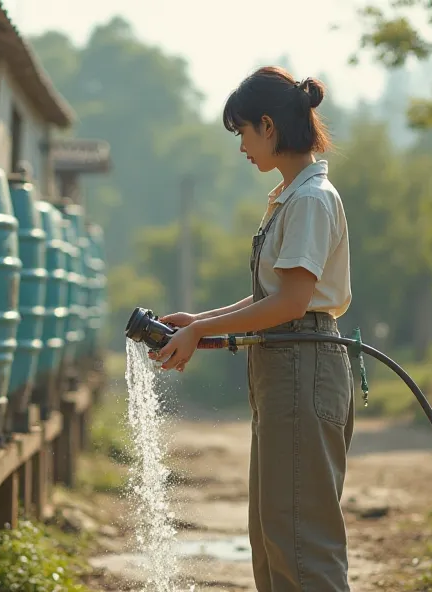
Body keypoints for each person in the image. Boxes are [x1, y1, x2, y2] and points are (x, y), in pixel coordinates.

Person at [152, 66, 354, 591]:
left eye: (242, 132)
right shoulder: (292, 195)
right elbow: (274, 298)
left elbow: (291, 301)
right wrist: (199, 323)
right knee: (274, 537)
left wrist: (201, 331)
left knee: (302, 544)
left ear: (268, 126)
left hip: (302, 364)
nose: (242, 147)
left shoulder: (310, 199)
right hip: (285, 362)